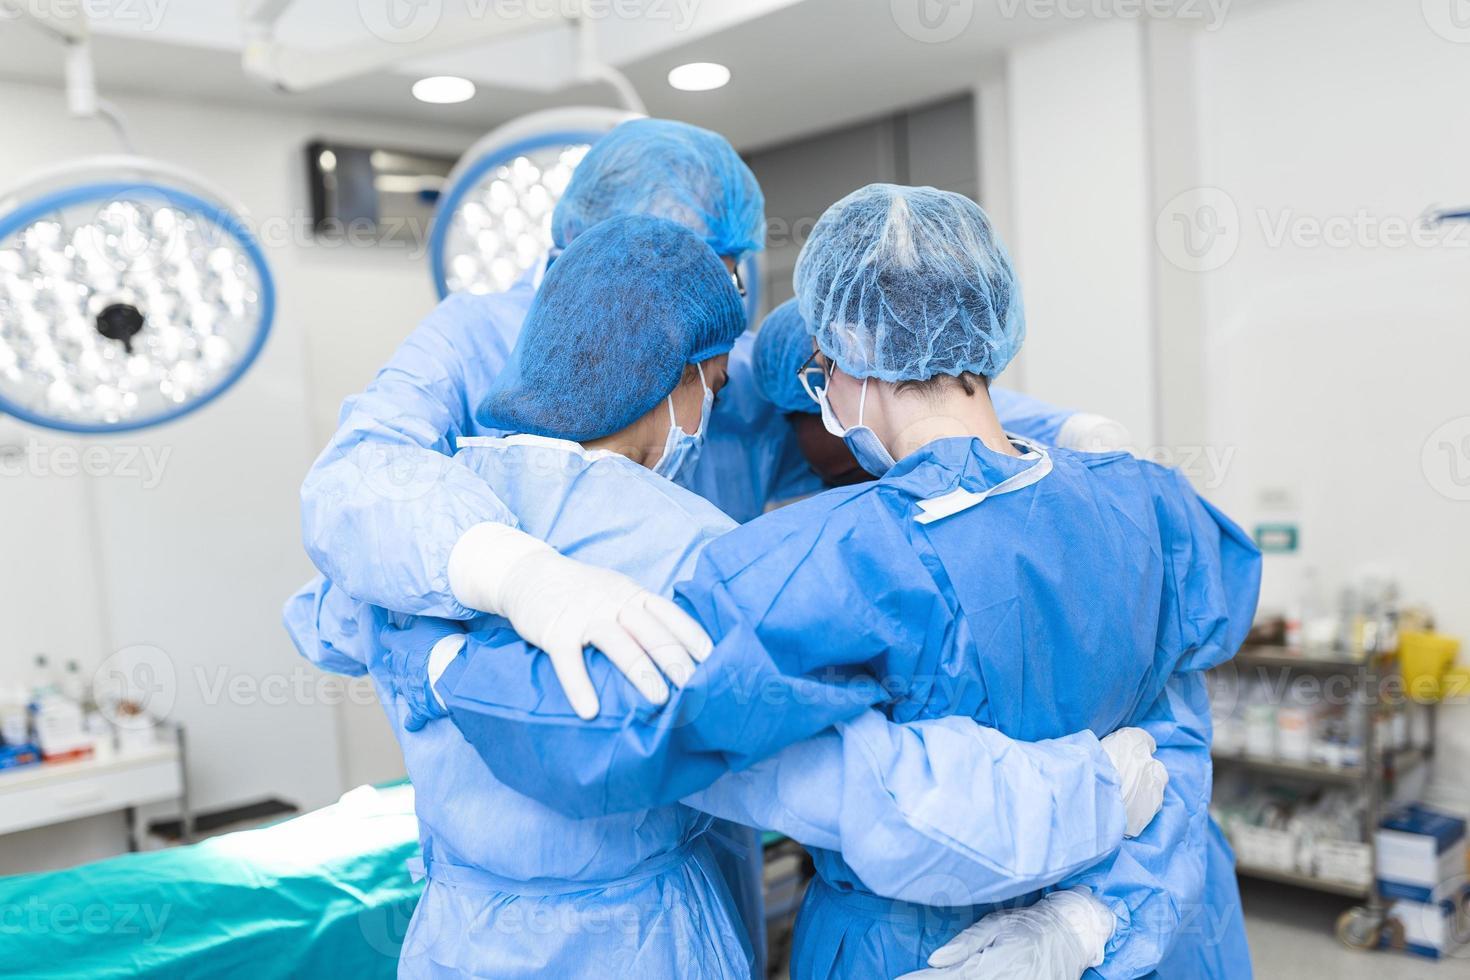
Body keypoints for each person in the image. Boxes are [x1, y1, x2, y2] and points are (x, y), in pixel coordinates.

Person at [286, 213, 1172, 979]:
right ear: (667, 376)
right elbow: (848, 785)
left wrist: (440, 651)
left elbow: (319, 621)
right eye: (712, 388)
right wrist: (1082, 791)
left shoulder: (430, 523)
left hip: (459, 937)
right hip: (634, 944)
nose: (712, 417)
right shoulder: (684, 549)